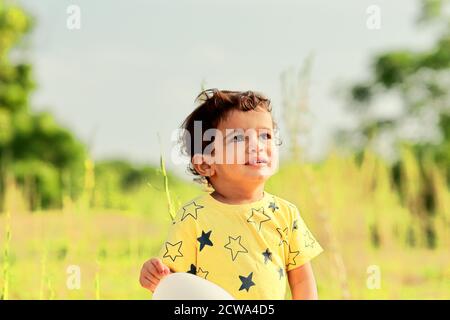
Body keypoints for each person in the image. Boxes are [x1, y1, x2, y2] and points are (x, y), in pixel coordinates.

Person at [139, 89, 323, 299]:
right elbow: (175, 284)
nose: (257, 145)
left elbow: (301, 279)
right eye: (237, 138)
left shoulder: (286, 213)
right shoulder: (193, 216)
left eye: (265, 135)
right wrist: (154, 275)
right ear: (206, 163)